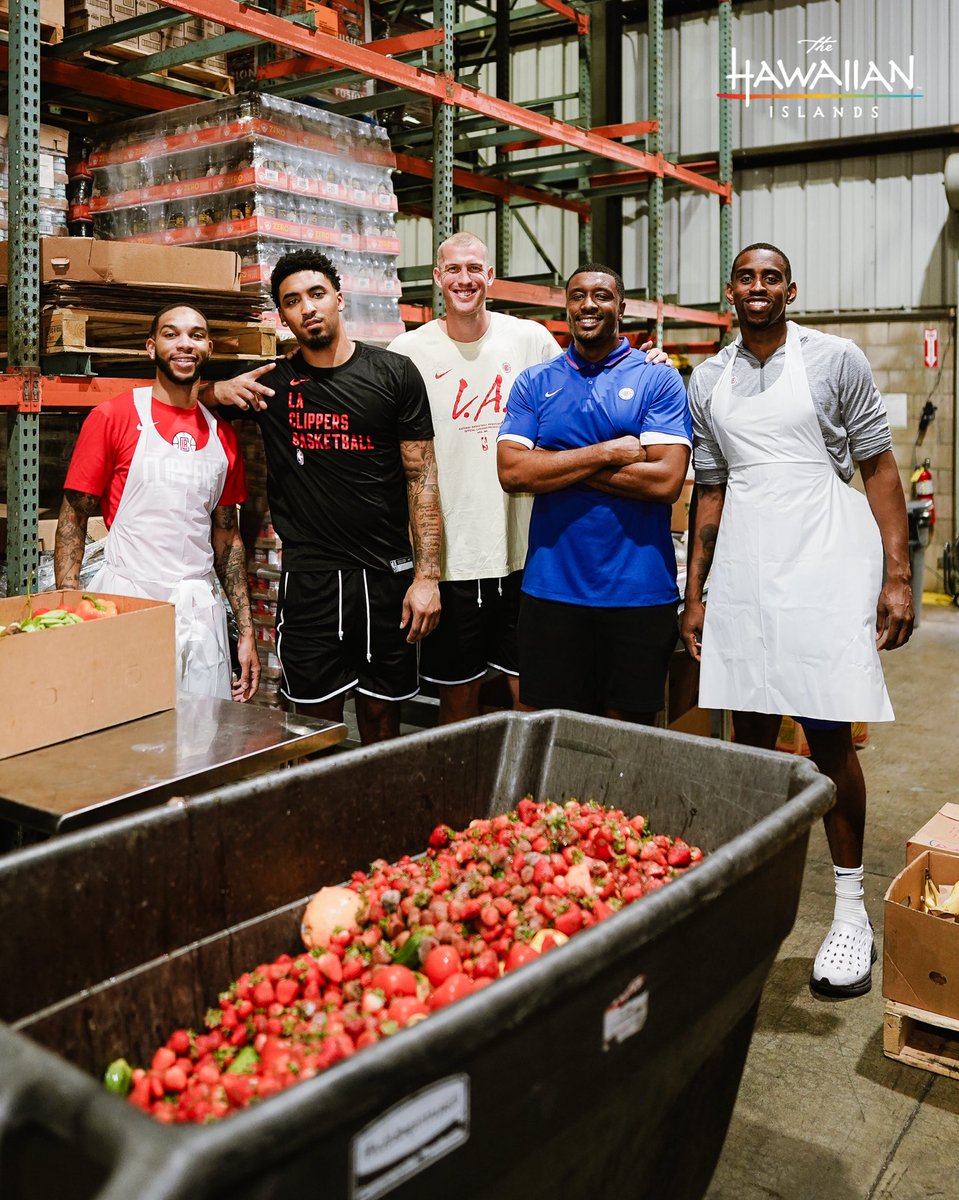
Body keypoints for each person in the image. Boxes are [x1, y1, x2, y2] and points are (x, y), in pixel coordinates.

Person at [680, 242, 914, 999]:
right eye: (746, 277)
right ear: (729, 290)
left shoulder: (834, 359)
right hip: (746, 567)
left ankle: (849, 914)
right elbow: (708, 491)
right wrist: (697, 593)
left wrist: (896, 575)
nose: (757, 287)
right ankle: (756, 901)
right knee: (749, 746)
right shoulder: (707, 378)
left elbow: (878, 469)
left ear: (789, 289)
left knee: (824, 738)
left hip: (822, 556)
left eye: (770, 277)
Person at [205, 248, 441, 744]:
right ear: (283, 315)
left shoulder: (395, 375)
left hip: (386, 577)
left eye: (316, 294)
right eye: (293, 301)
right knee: (311, 727)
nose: (308, 308)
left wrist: (427, 578)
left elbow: (422, 479)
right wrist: (216, 390)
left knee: (382, 722)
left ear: (338, 298)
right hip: (311, 579)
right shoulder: (272, 385)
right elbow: (186, 396)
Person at [496, 263, 691, 723]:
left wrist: (554, 461)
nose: (589, 304)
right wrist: (607, 453)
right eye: (578, 295)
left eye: (602, 295)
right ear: (567, 307)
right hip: (552, 592)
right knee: (556, 737)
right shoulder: (535, 382)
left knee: (628, 742)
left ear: (621, 307)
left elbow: (665, 482)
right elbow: (511, 472)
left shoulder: (655, 378)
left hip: (638, 594)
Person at [386, 231, 560, 723]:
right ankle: (458, 795)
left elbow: (582, 383)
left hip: (524, 552)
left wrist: (642, 361)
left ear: (490, 277)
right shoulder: (407, 351)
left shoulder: (529, 340)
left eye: (475, 269)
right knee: (457, 698)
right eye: (454, 269)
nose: (465, 279)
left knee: (531, 693)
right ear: (438, 277)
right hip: (452, 559)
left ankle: (531, 798)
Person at [55, 304, 259, 702]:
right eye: (171, 334)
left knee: (201, 742)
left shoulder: (222, 438)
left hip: (200, 613)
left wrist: (247, 632)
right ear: (151, 348)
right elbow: (73, 518)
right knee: (126, 738)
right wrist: (71, 609)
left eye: (196, 335)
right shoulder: (112, 417)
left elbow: (228, 540)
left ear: (208, 348)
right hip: (126, 602)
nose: (185, 344)